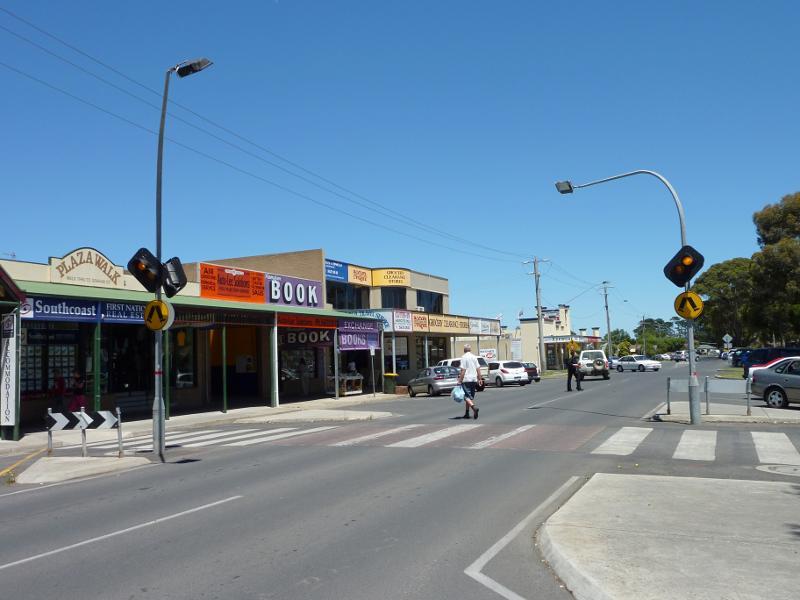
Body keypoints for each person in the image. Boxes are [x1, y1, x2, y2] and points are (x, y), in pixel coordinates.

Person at [457, 344, 482, 419]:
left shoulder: (464, 357)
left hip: (466, 379)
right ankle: (467, 413)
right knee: (469, 397)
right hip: (474, 379)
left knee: (465, 397)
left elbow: (463, 370)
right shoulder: (474, 357)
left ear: (464, 350)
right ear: (470, 350)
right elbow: (478, 369)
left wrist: (459, 380)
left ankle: (474, 408)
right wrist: (480, 379)